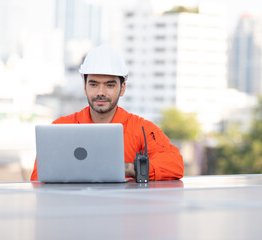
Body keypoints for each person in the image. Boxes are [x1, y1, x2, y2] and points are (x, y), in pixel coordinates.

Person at [30, 45, 184, 181]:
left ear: (122, 88)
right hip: (75, 209)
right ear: (85, 87)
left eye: (110, 85)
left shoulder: (142, 129)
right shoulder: (60, 128)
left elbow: (174, 164)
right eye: (94, 84)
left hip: (123, 211)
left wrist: (131, 168)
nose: (101, 92)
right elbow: (39, 177)